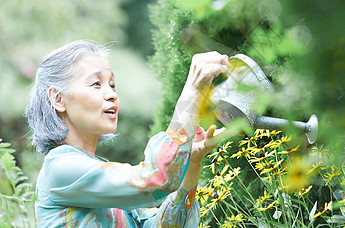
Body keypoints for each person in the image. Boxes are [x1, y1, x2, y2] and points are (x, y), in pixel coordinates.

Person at [25, 40, 230, 227]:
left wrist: (192, 163)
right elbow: (156, 179)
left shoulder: (96, 172)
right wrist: (192, 91)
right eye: (96, 84)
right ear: (58, 99)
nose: (112, 94)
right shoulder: (61, 169)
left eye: (112, 85)